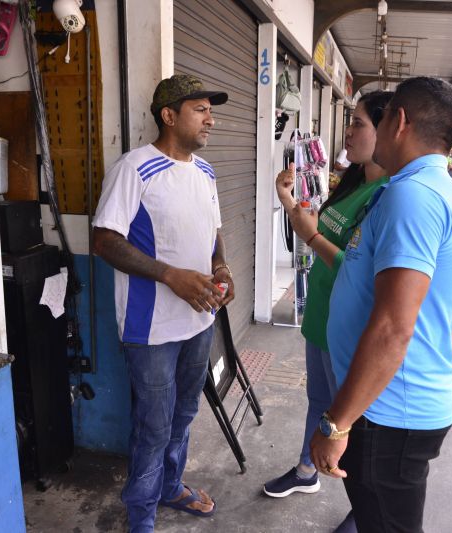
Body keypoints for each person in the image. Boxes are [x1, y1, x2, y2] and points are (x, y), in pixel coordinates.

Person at [310, 76, 452, 532]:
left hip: (388, 414)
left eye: (378, 122)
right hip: (387, 407)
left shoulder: (414, 196)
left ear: (398, 121)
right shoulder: (420, 188)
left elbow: (392, 328)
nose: (374, 132)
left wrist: (336, 423)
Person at [92, 74, 233, 533]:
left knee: (185, 413)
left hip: (199, 319)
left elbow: (213, 236)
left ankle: (170, 487)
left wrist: (222, 269)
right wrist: (170, 275)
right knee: (153, 425)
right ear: (169, 116)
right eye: (200, 109)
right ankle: (141, 518)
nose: (210, 118)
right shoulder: (134, 169)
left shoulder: (206, 171)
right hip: (150, 329)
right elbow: (104, 241)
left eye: (211, 110)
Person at [263, 90, 394, 532]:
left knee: (351, 423)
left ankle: (364, 507)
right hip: (321, 317)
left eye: (358, 123)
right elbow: (321, 229)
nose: (349, 131)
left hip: (350, 332)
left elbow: (362, 275)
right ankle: (305, 472)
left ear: (390, 129)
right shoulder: (353, 182)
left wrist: (311, 238)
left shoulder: (388, 197)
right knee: (319, 405)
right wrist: (289, 202)